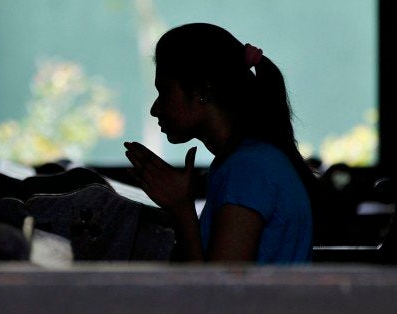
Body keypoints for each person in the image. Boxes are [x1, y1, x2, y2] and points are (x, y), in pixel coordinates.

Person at [124, 23, 318, 263]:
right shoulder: (244, 161)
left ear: (204, 90)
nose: (155, 109)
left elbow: (220, 294)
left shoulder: (248, 169)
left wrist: (181, 209)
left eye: (164, 91)